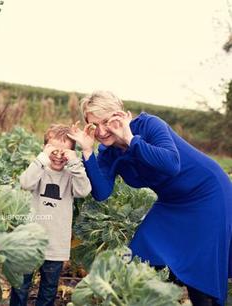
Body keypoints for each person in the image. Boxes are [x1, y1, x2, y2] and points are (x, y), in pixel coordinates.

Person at [67, 90, 232, 306]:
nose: (102, 131)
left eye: (106, 121)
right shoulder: (108, 153)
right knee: (143, 255)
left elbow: (171, 164)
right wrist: (88, 152)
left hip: (207, 193)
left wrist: (129, 138)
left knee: (198, 273)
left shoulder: (149, 126)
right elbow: (101, 193)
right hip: (172, 202)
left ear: (121, 114)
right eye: (94, 125)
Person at [10, 124, 91, 306]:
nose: (59, 155)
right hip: (29, 242)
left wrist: (75, 163)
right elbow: (25, 182)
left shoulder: (71, 175)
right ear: (45, 149)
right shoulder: (39, 170)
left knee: (48, 289)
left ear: (71, 153)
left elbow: (84, 190)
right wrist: (41, 159)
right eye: (53, 150)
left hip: (56, 243)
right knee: (20, 286)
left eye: (65, 152)